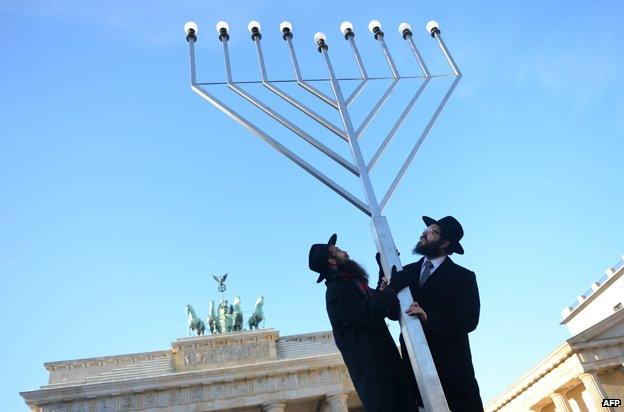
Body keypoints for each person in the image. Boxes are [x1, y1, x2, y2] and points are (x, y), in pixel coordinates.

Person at [309, 234, 417, 412]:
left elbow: (374, 302)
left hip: (387, 366)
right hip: (376, 377)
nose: (345, 252)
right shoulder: (337, 291)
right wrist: (393, 288)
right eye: (338, 251)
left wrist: (383, 272)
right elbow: (369, 312)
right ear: (331, 261)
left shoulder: (352, 283)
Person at [395, 215, 483, 412]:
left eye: (432, 231)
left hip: (452, 371)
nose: (424, 233)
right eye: (426, 230)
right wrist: (385, 278)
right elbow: (394, 313)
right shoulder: (406, 271)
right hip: (415, 372)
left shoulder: (463, 277)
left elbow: (469, 319)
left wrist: (429, 317)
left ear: (445, 242)